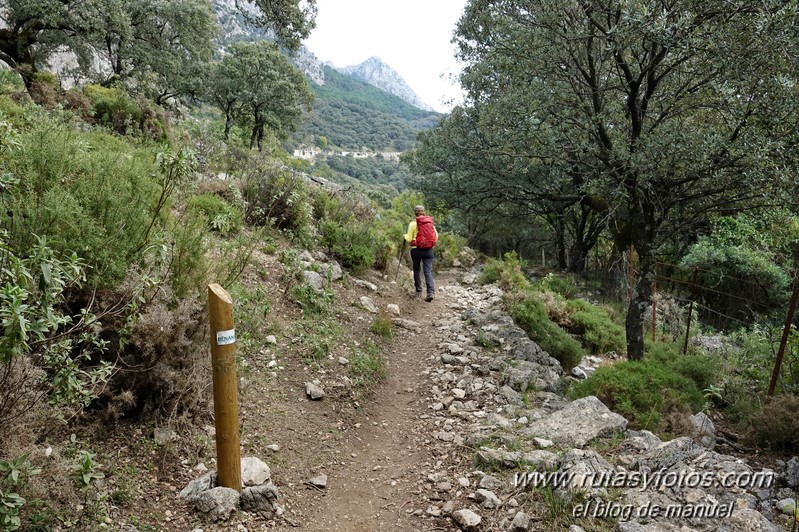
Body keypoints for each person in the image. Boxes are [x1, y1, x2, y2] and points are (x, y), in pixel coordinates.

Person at [404, 204, 437, 302]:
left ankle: (418, 291)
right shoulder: (429, 222)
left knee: (417, 269)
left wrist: (405, 236)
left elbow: (409, 238)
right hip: (428, 250)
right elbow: (436, 236)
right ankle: (430, 292)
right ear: (424, 212)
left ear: (415, 213)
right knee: (428, 271)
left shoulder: (412, 224)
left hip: (416, 249)